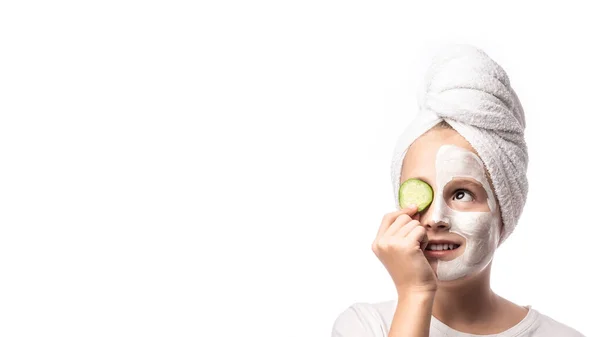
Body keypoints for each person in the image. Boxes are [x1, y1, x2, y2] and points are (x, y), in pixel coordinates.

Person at [331, 45, 585, 337]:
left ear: (505, 209)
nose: (435, 218)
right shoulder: (365, 325)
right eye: (421, 193)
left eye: (461, 193)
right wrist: (415, 292)